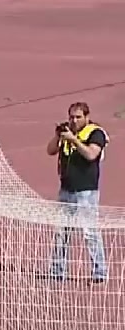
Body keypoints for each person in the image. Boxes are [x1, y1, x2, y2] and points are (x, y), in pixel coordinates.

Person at [47, 101, 110, 283]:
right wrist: (59, 135)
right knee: (62, 231)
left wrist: (74, 140)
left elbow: (91, 154)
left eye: (78, 117)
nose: (74, 121)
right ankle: (58, 270)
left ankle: (99, 271)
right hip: (66, 189)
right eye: (71, 117)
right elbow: (50, 150)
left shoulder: (95, 133)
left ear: (86, 117)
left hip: (86, 191)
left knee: (90, 231)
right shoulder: (68, 132)